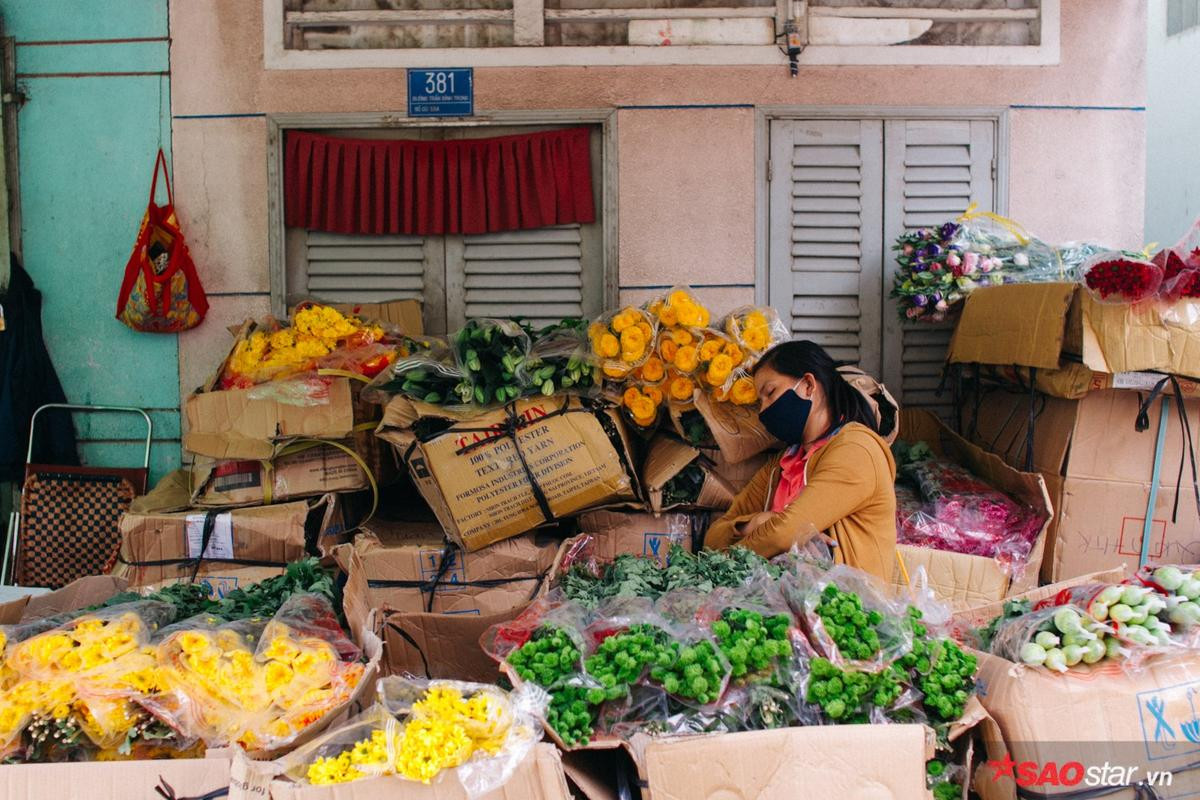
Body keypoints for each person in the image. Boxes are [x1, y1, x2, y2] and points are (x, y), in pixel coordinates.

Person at [704, 340, 897, 582]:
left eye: (770, 393)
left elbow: (783, 534)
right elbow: (713, 537)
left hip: (847, 612)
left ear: (808, 385)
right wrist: (754, 522)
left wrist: (732, 556)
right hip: (786, 605)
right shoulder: (783, 463)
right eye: (759, 402)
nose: (764, 410)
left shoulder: (856, 449)